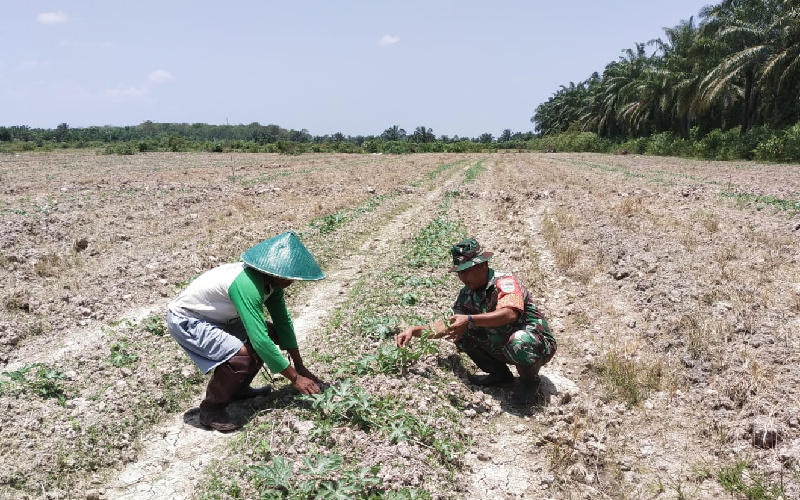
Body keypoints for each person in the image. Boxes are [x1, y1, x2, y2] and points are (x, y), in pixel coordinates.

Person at [166, 231, 324, 431]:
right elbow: (260, 341)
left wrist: (299, 366)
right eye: (287, 276)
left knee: (272, 332)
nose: (290, 282)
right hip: (189, 318)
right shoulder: (247, 285)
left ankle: (238, 389)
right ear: (273, 270)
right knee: (241, 356)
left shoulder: (271, 284)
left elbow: (283, 322)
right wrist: (295, 378)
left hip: (222, 318)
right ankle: (211, 409)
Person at [396, 238, 556, 405]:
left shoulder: (505, 282)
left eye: (467, 271)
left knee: (520, 340)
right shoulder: (466, 294)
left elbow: (509, 314)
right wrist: (414, 331)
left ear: (482, 265)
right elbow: (450, 324)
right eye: (459, 272)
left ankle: (530, 382)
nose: (462, 277)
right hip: (502, 343)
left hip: (535, 344)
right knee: (461, 332)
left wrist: (470, 319)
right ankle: (500, 375)